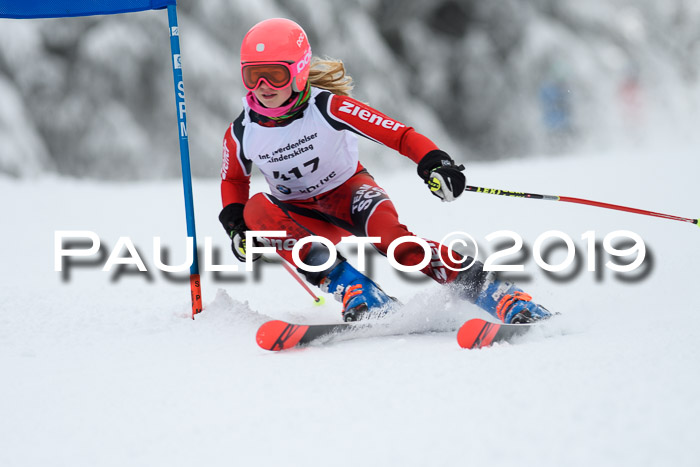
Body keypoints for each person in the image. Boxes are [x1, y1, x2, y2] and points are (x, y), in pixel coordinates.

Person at [219, 18, 551, 324]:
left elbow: (398, 134)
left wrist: (435, 162)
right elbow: (234, 178)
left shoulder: (328, 107)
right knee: (256, 209)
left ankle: (499, 293)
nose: (263, 85)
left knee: (398, 245)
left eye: (274, 74)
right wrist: (237, 226)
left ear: (299, 71)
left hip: (349, 195)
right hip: (303, 215)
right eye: (253, 75)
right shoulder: (241, 131)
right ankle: (359, 292)